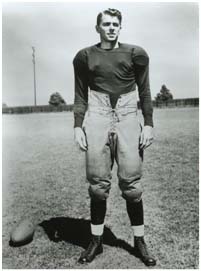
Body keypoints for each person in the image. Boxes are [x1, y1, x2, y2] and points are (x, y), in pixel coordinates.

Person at [73, 8, 156, 267]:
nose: (111, 28)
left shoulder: (136, 54)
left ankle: (139, 240)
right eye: (106, 24)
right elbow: (80, 94)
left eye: (115, 24)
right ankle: (96, 240)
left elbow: (144, 90)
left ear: (121, 27)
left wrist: (149, 123)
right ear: (97, 27)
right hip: (96, 115)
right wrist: (78, 126)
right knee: (98, 185)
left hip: (128, 115)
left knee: (132, 185)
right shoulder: (84, 56)